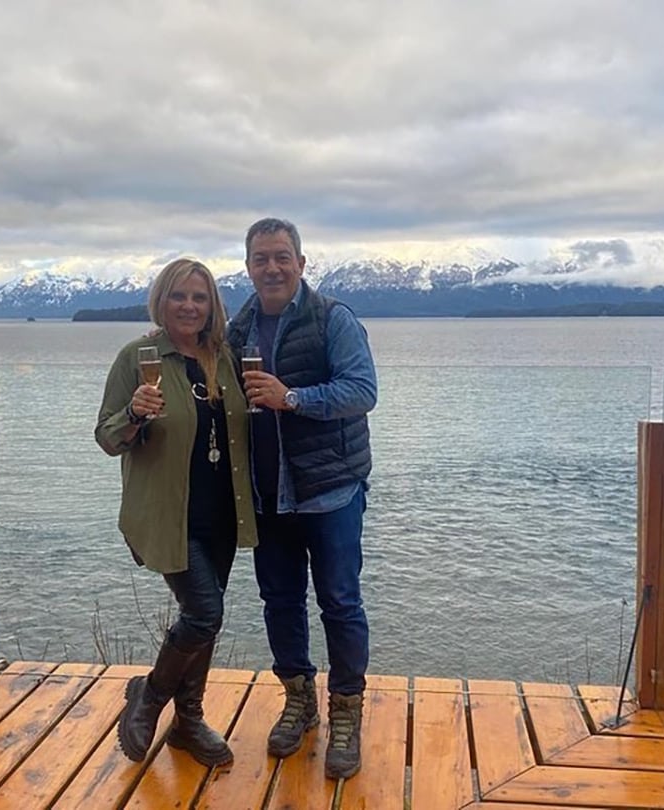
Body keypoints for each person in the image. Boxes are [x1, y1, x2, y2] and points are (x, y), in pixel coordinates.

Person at [227, 217, 378, 780]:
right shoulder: (237, 328)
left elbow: (362, 391)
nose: (271, 267)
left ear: (301, 263)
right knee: (280, 602)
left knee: (340, 602)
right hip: (266, 496)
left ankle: (346, 712)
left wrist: (290, 397)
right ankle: (299, 701)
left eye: (281, 257)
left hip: (330, 490)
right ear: (248, 267)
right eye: (261, 258)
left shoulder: (333, 317)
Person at [95, 257, 257, 766]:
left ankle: (189, 722)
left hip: (223, 512)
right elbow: (106, 437)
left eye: (199, 297)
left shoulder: (224, 356)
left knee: (203, 618)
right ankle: (150, 696)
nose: (189, 306)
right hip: (167, 513)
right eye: (179, 296)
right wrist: (133, 414)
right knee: (205, 612)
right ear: (161, 302)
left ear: (212, 306)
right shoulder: (137, 356)